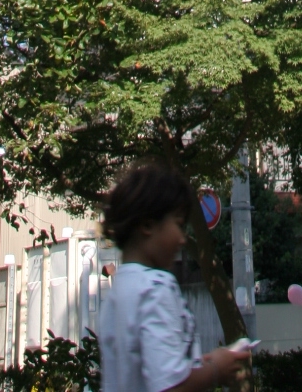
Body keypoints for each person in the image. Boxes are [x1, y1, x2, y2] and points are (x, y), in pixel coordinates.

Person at [97, 162, 251, 392]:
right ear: (147, 224)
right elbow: (170, 387)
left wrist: (198, 365)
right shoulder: (155, 288)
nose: (181, 238)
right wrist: (216, 370)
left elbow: (153, 371)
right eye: (178, 224)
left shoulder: (118, 292)